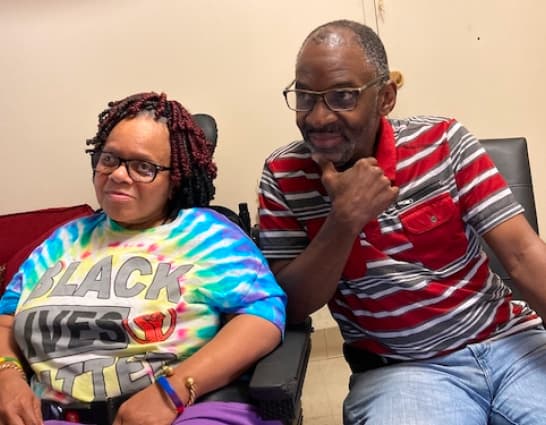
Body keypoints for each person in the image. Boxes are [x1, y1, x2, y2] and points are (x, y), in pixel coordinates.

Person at [258, 19, 546, 424]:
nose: (318, 117)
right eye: (305, 96)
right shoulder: (283, 175)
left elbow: (523, 253)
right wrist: (343, 220)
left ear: (385, 98)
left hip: (511, 342)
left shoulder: (444, 141)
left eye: (342, 96)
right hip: (402, 371)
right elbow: (294, 306)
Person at [0, 92, 286, 425]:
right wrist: (7, 375)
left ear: (175, 178)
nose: (119, 175)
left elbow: (264, 317)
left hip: (185, 412)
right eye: (110, 159)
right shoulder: (62, 241)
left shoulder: (206, 236)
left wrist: (172, 391)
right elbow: (6, 319)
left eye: (143, 167)